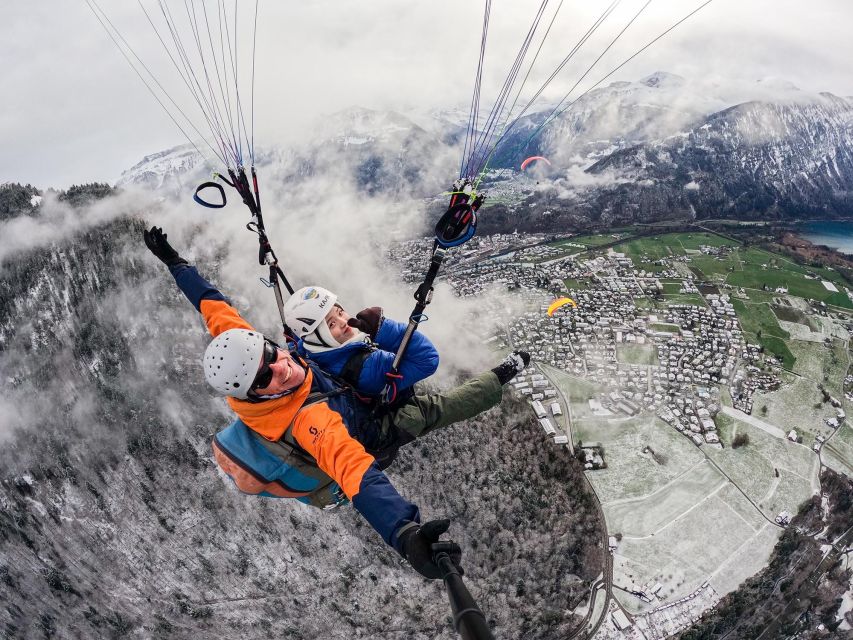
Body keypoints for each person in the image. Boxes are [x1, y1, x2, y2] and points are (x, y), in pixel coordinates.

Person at [143, 226, 528, 579]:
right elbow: (354, 470)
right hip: (369, 431)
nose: (282, 367)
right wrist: (405, 532)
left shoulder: (250, 353)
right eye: (265, 378)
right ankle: (500, 377)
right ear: (249, 393)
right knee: (434, 410)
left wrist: (177, 264)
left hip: (344, 392)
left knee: (379, 379)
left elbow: (214, 308)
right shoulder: (308, 421)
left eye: (273, 354)